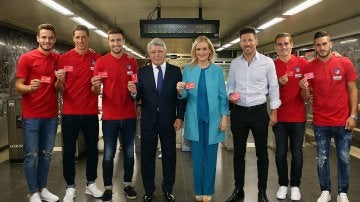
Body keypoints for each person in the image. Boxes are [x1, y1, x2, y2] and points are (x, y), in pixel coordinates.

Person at [300, 31, 358, 202]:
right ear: (315, 47)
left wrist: (353, 115)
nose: (321, 47)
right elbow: (305, 96)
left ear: (331, 44)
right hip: (320, 122)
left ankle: (342, 193)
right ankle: (325, 190)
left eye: (324, 44)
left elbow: (353, 90)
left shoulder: (344, 62)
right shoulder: (309, 67)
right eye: (318, 45)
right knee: (322, 159)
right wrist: (303, 88)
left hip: (343, 121)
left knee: (344, 158)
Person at [226, 27, 281, 202]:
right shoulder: (235, 63)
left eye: (250, 40)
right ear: (240, 43)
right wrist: (230, 95)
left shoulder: (267, 62)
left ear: (256, 41)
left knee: (262, 154)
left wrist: (274, 112)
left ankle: (262, 191)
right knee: (238, 154)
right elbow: (230, 86)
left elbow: (273, 87)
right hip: (239, 113)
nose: (247, 43)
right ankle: (238, 189)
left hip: (259, 112)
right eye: (244, 40)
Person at [127, 38, 184, 202]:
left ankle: (168, 190)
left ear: (165, 52)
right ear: (149, 54)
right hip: (148, 121)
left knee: (169, 156)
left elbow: (180, 97)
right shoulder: (142, 72)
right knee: (147, 156)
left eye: (160, 51)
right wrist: (132, 92)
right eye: (153, 52)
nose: (157, 55)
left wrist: (180, 116)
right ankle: (149, 190)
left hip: (169, 120)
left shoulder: (175, 71)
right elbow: (138, 94)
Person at [176, 36, 229, 202]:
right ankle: (198, 190)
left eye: (204, 49)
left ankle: (208, 191)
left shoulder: (217, 71)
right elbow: (184, 95)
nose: (201, 52)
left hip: (213, 120)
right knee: (197, 158)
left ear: (210, 51)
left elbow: (222, 96)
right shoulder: (189, 70)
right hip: (194, 120)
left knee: (212, 157)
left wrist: (224, 117)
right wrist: (179, 90)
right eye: (198, 49)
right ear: (194, 51)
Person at [54, 25, 103, 202]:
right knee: (68, 151)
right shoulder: (63, 59)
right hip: (70, 113)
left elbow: (98, 88)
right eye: (77, 37)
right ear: (73, 38)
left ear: (88, 38)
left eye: (84, 37)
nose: (80, 40)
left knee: (92, 150)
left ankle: (91, 184)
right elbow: (59, 89)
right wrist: (59, 80)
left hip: (90, 113)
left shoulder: (97, 58)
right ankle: (70, 187)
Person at [91, 28, 138, 202]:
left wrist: (134, 91)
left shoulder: (131, 62)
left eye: (118, 40)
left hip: (129, 116)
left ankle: (127, 185)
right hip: (110, 117)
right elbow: (95, 89)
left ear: (123, 41)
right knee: (109, 155)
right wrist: (95, 85)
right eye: (112, 40)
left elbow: (136, 87)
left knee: (129, 154)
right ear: (108, 42)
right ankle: (108, 188)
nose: (115, 43)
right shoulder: (101, 62)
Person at [15, 23, 60, 202]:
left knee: (46, 154)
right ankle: (32, 192)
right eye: (44, 37)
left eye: (50, 37)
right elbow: (18, 86)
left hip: (50, 116)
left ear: (54, 39)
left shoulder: (57, 59)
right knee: (31, 154)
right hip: (32, 116)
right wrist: (28, 87)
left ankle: (42, 189)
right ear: (38, 38)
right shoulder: (27, 58)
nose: (47, 40)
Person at [272, 32, 309, 201]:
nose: (283, 47)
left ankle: (295, 186)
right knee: (280, 153)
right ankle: (282, 184)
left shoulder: (303, 63)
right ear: (275, 48)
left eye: (286, 43)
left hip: (298, 118)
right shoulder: (272, 65)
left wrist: (303, 88)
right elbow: (265, 90)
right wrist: (279, 84)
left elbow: (307, 95)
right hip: (279, 118)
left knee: (297, 153)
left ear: (291, 44)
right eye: (280, 44)